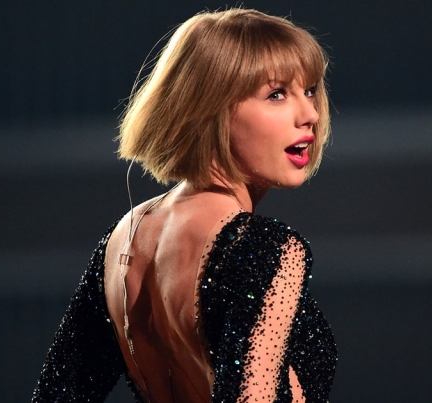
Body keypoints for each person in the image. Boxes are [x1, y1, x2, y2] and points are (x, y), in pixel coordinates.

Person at [32, 8, 337, 403]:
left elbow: (57, 394)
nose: (310, 114)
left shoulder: (125, 237)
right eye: (276, 94)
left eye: (309, 90)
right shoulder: (265, 248)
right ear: (209, 108)